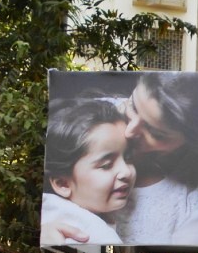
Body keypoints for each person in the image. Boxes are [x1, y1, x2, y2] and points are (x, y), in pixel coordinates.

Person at [51, 73, 198, 246]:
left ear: (189, 141)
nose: (130, 131)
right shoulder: (82, 119)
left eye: (155, 133)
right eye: (132, 106)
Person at [40, 99, 136, 244]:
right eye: (106, 165)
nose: (126, 172)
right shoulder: (85, 234)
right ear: (62, 184)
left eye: (128, 158)